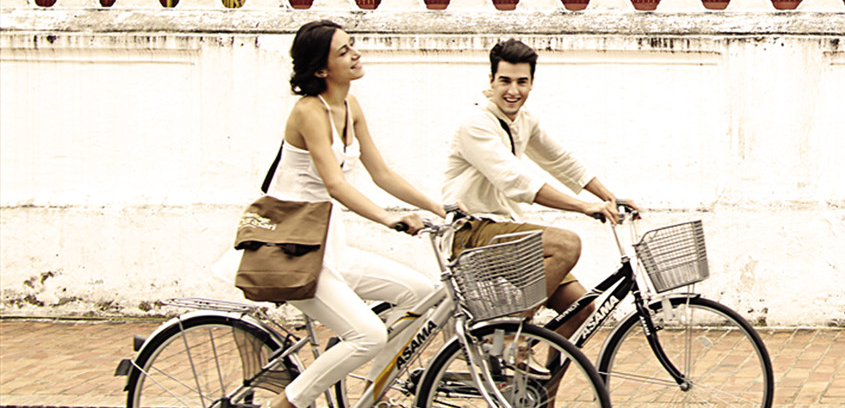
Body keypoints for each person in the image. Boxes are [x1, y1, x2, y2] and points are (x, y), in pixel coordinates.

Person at [244, 20, 445, 408]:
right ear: (320, 70)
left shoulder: (350, 105)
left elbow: (381, 173)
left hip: (328, 246)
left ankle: (374, 396)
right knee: (368, 335)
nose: (355, 54)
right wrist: (389, 219)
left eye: (352, 45)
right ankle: (287, 403)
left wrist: (436, 206)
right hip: (293, 250)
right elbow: (335, 184)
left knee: (422, 293)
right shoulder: (308, 112)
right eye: (343, 51)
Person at [443, 39, 628, 341]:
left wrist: (607, 197)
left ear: (531, 84)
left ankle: (541, 390)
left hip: (504, 229)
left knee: (580, 310)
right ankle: (511, 336)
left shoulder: (524, 119)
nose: (513, 91)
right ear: (490, 80)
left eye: (521, 82)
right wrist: (583, 206)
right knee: (566, 244)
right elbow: (517, 181)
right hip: (470, 231)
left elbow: (560, 159)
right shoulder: (474, 124)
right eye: (504, 81)